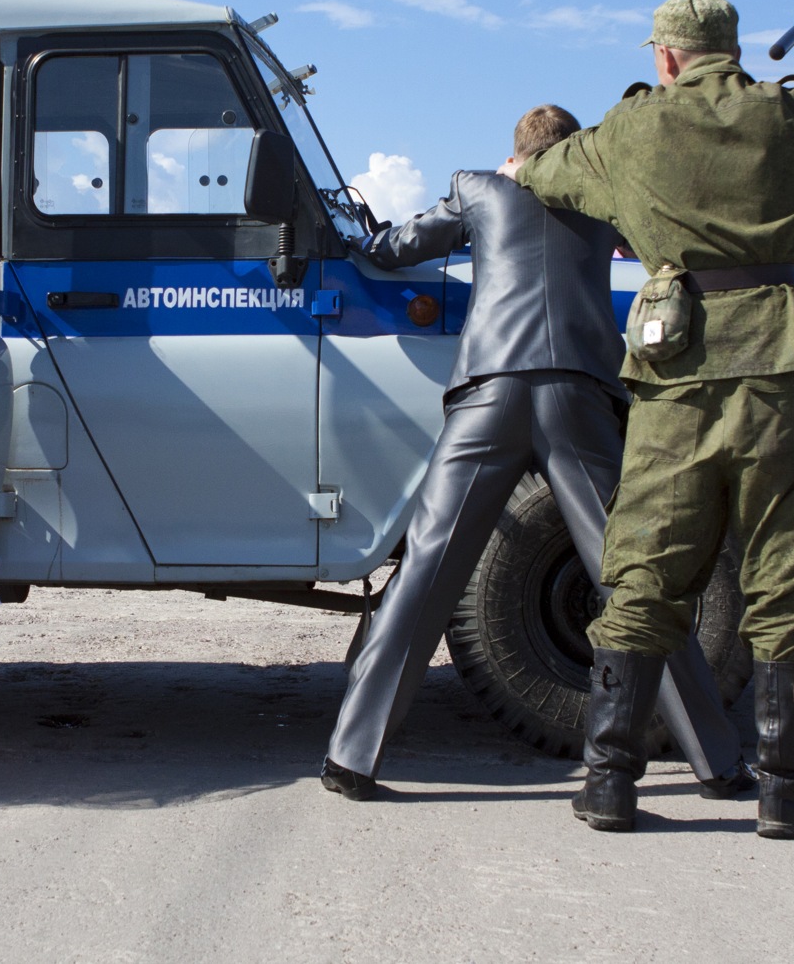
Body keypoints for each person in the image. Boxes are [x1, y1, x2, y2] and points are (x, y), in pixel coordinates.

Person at [505, 0, 794, 837]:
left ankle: (611, 781)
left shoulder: (630, 131)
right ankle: (790, 791)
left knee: (644, 569)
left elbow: (538, 173)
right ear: (732, 49)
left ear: (664, 58)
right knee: (783, 573)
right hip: (783, 363)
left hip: (677, 368)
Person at [321, 105, 755, 804]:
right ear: (574, 150)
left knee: (429, 571)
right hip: (578, 393)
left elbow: (394, 247)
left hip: (489, 390)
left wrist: (366, 234)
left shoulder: (478, 187)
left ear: (514, 154)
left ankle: (352, 757)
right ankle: (717, 760)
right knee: (632, 577)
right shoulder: (601, 196)